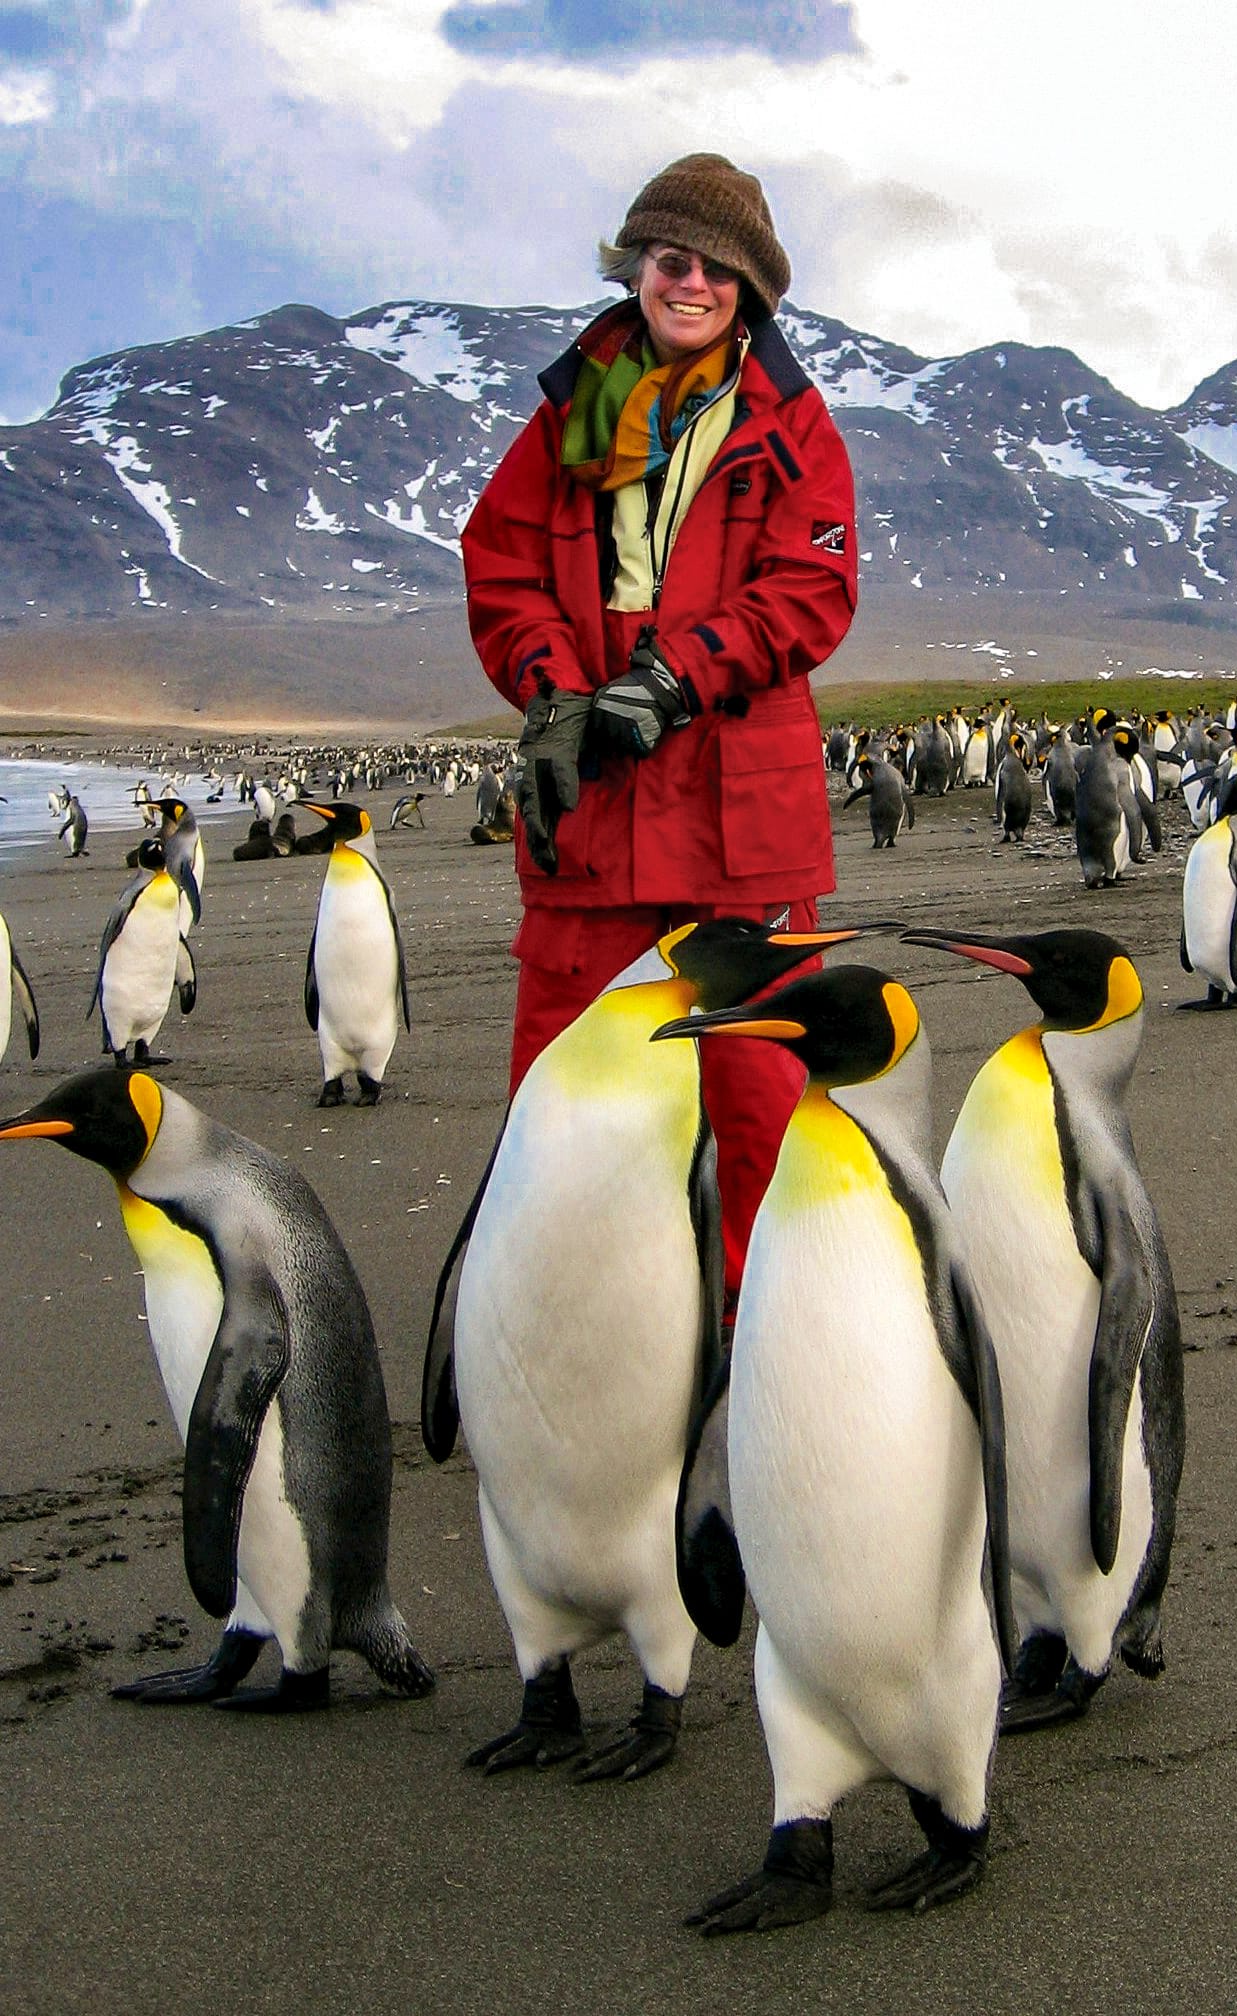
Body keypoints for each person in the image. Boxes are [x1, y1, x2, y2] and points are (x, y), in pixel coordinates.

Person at [460, 152, 858, 1302]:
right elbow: (502, 567)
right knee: (563, 1099)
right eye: (670, 260)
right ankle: (574, 1320)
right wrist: (553, 692)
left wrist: (677, 677)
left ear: (751, 290)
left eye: (716, 270)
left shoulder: (793, 424)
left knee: (757, 1093)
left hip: (739, 809)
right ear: (635, 266)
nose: (689, 283)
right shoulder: (571, 412)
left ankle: (758, 1323)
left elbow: (811, 587)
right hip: (597, 802)